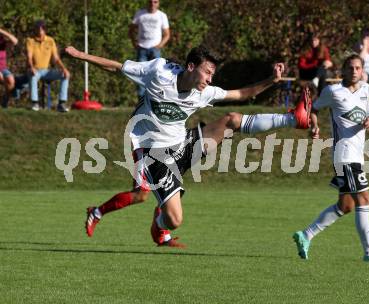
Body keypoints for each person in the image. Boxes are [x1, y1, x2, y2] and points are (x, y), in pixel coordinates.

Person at [65, 44, 311, 248]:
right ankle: (156, 224)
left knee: (232, 120)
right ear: (191, 67)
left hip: (182, 145)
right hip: (153, 154)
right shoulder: (158, 71)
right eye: (207, 72)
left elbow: (241, 95)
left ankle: (292, 118)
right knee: (173, 219)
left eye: (212, 74)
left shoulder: (203, 92)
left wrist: (272, 80)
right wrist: (79, 56)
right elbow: (116, 66)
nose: (210, 79)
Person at [292, 53, 369, 263]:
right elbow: (315, 108)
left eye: (358, 68)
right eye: (350, 68)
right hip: (345, 154)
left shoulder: (367, 89)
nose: (354, 71)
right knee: (364, 199)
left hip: (357, 154)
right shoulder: (333, 91)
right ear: (342, 70)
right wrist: (315, 126)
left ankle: (306, 235)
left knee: (345, 205)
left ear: (362, 70)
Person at [26, 20, 70, 112]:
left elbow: (56, 58)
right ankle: (35, 103)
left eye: (41, 29)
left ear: (44, 30)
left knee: (65, 75)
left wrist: (64, 69)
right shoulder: (30, 41)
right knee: (33, 75)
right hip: (35, 70)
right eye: (37, 28)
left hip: (46, 71)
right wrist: (31, 67)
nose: (39, 31)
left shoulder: (50, 40)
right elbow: (29, 57)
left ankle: (61, 103)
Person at [129, 0, 170, 96]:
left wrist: (159, 46)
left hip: (155, 50)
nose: (152, 4)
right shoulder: (140, 14)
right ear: (147, 2)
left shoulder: (162, 15)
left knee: (156, 75)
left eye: (155, 2)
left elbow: (167, 34)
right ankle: (141, 100)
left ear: (158, 3)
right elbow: (131, 30)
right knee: (141, 75)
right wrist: (134, 43)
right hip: (142, 49)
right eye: (151, 2)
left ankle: (154, 99)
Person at [0, 27, 18, 108]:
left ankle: (5, 100)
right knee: (1, 77)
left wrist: (1, 31)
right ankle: (15, 91)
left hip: (3, 68)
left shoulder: (2, 40)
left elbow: (15, 41)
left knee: (11, 80)